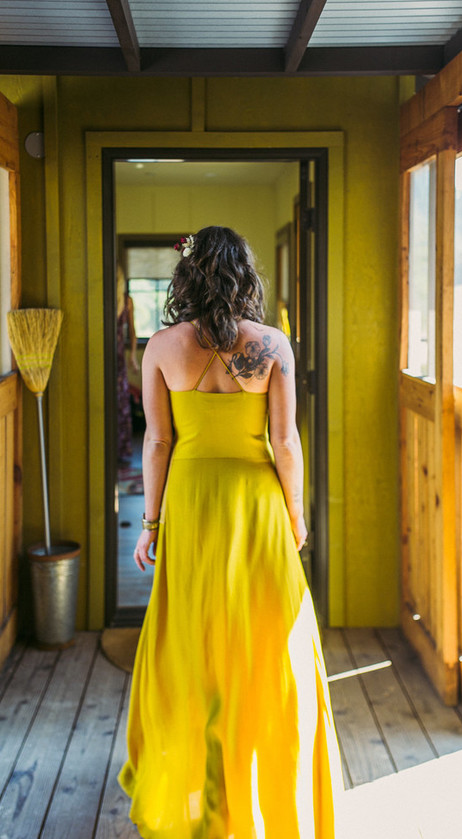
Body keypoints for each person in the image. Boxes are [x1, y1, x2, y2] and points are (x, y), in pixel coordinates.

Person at [118, 226, 343, 838]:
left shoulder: (161, 347)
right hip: (256, 501)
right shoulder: (272, 346)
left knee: (193, 640)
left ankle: (198, 797)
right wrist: (294, 517)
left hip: (191, 501)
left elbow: (159, 440)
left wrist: (150, 524)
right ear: (246, 276)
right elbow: (287, 442)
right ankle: (266, 800)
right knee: (269, 646)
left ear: (187, 277)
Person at [116, 264, 140, 464]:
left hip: (118, 356)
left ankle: (121, 451)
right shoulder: (101, 297)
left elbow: (132, 332)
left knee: (121, 401)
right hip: (105, 353)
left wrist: (132, 356)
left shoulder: (126, 301)